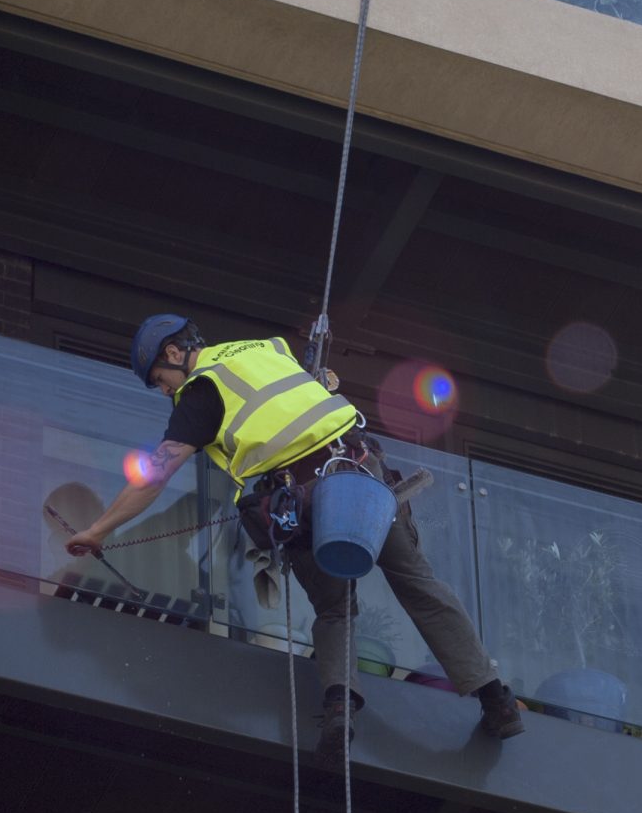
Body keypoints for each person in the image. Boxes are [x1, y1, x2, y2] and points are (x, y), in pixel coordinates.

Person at [64, 313, 524, 750]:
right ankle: (495, 698)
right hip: (361, 472)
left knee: (334, 608)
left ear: (173, 352)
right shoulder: (268, 349)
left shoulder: (200, 391)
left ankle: (340, 711)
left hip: (303, 499)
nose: (165, 391)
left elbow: (154, 475)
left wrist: (98, 530)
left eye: (160, 380)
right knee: (418, 583)